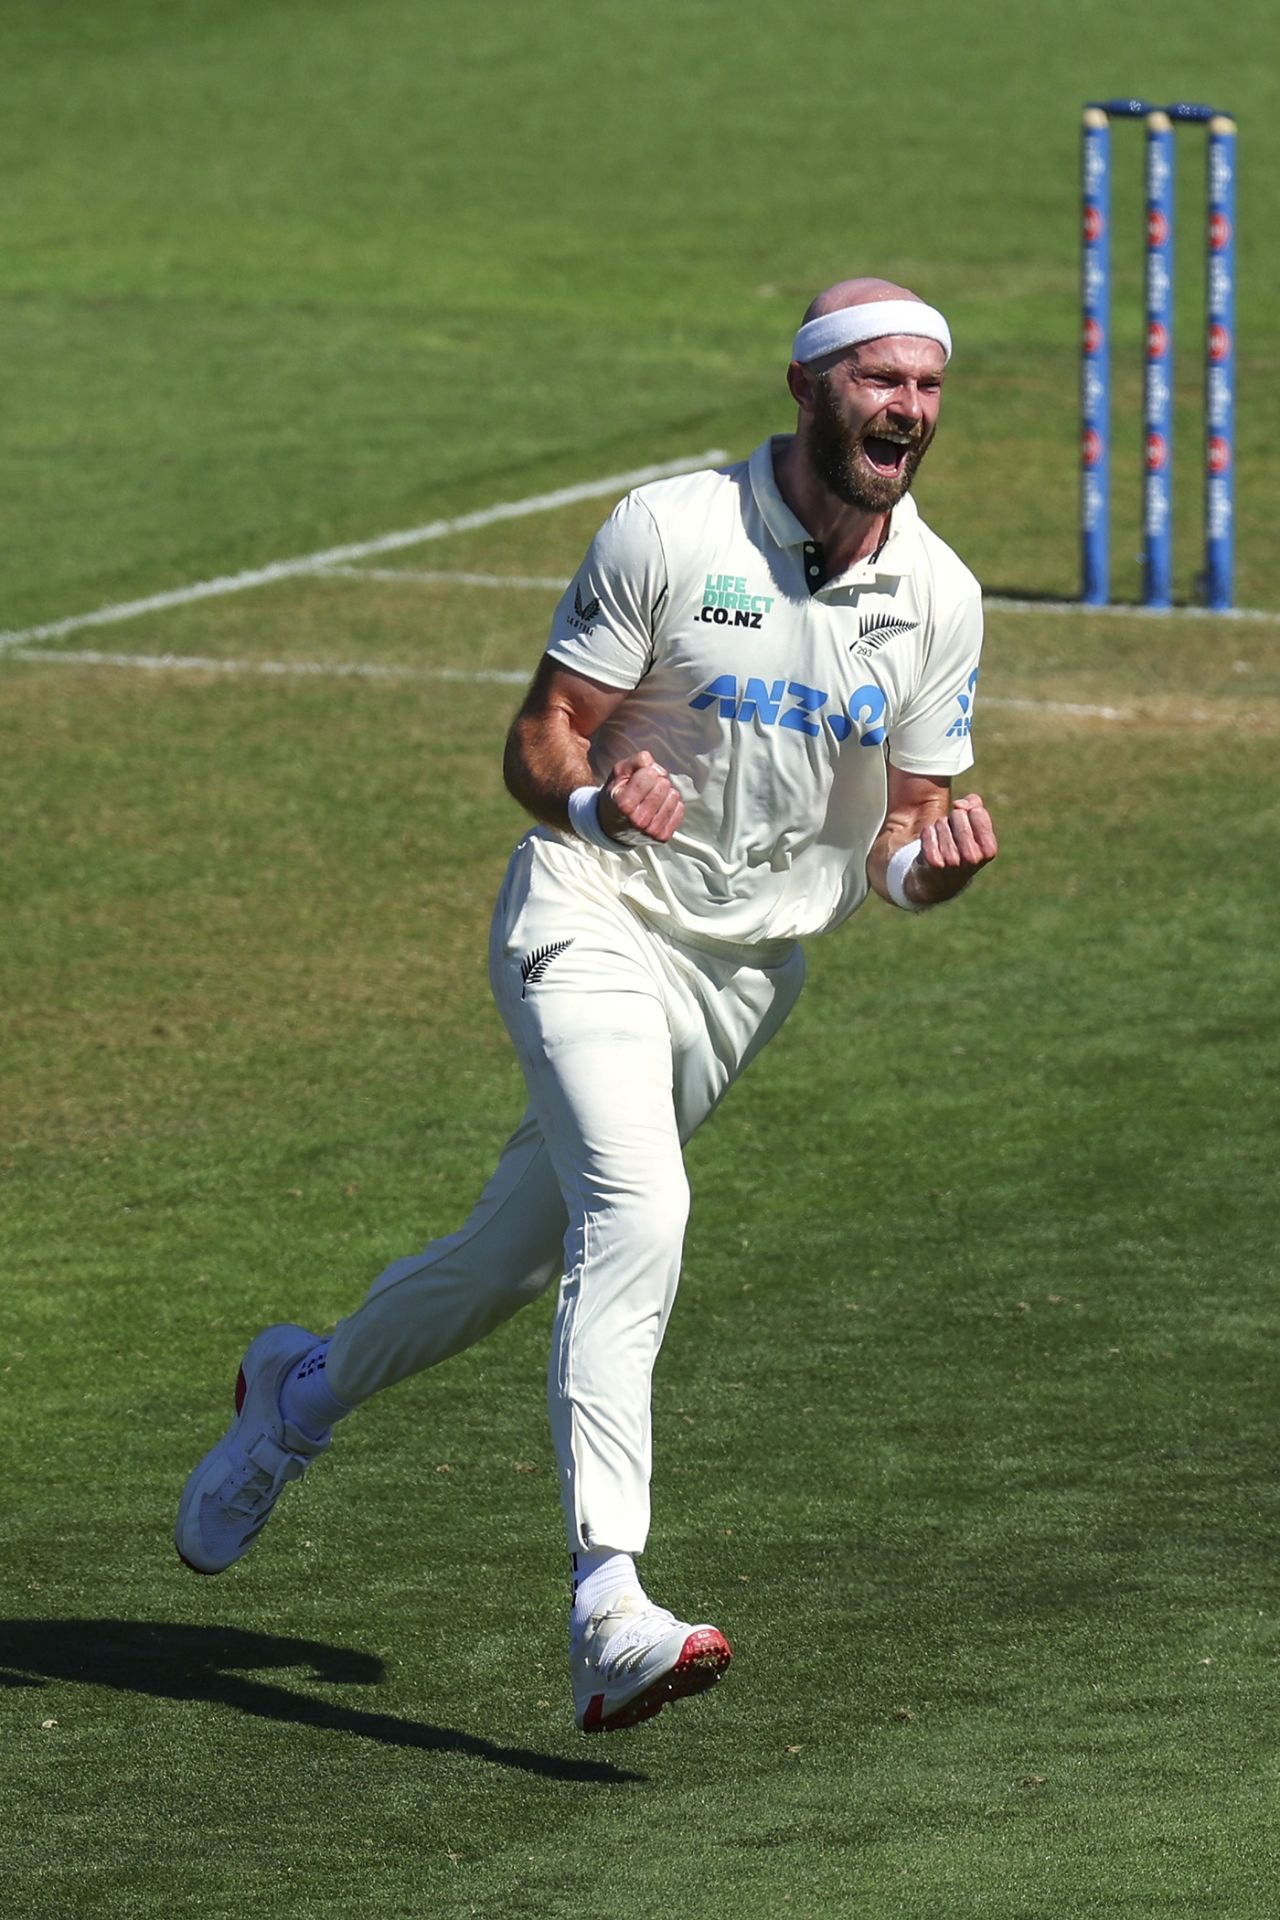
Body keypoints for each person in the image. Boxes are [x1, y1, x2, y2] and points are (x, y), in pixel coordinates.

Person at [176, 277, 999, 1735]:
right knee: (643, 1208)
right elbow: (540, 728)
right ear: (809, 389)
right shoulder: (672, 529)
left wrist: (933, 872)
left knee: (506, 1259)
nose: (909, 412)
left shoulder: (937, 595)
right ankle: (608, 1602)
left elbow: (896, 842)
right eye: (881, 382)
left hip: (741, 980)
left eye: (928, 389)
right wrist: (591, 800)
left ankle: (294, 1396)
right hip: (589, 909)